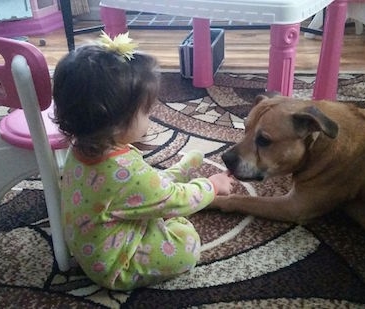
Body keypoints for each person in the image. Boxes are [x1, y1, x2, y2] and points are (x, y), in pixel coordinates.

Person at [52, 31, 234, 290]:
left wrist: (178, 171)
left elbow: (142, 187)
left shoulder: (81, 145)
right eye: (146, 111)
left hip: (92, 244)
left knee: (149, 195)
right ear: (115, 124)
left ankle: (173, 180)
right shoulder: (122, 170)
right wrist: (212, 186)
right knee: (186, 249)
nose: (150, 118)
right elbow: (175, 200)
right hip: (116, 266)